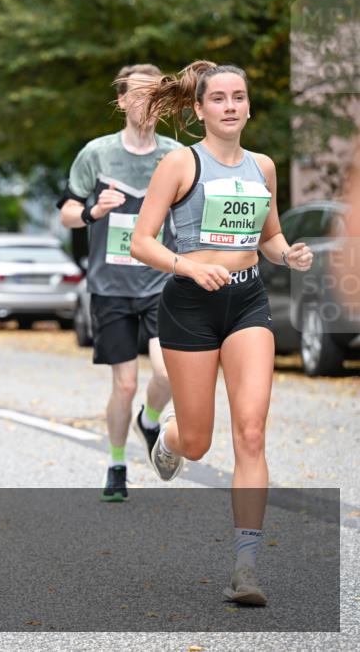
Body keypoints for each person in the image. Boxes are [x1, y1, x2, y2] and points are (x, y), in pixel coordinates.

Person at [130, 60, 314, 605]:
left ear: (249, 106)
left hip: (247, 303)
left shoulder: (264, 166)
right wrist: (188, 266)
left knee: (252, 432)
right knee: (198, 439)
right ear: (200, 109)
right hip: (190, 305)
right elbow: (142, 241)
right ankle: (169, 436)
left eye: (239, 97)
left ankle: (247, 567)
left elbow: (271, 236)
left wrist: (289, 254)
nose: (230, 106)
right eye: (219, 99)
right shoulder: (180, 163)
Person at [58, 64, 183, 502]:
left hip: (161, 281)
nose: (146, 104)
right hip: (111, 285)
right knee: (124, 384)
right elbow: (67, 212)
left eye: (155, 96)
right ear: (123, 101)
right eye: (139, 95)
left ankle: (150, 420)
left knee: (167, 372)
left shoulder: (175, 155)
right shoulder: (97, 154)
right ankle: (116, 464)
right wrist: (94, 209)